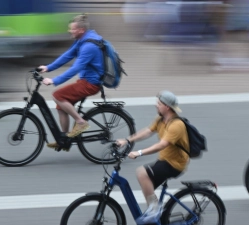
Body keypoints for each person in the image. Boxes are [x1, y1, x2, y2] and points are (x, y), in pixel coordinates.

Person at [116, 90, 190, 224]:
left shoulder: (176, 125)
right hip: (165, 160)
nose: (156, 105)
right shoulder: (161, 119)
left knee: (142, 173)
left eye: (159, 103)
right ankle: (155, 212)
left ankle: (155, 210)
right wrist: (127, 140)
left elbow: (162, 145)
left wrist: (139, 153)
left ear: (167, 106)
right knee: (147, 189)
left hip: (175, 164)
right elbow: (147, 132)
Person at [38, 14, 104, 150]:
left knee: (57, 95)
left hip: (90, 83)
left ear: (81, 30)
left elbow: (76, 68)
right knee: (61, 106)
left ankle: (81, 122)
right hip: (85, 80)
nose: (69, 31)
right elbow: (67, 55)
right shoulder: (82, 40)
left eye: (72, 29)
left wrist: (54, 80)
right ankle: (64, 139)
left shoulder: (88, 46)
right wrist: (48, 67)